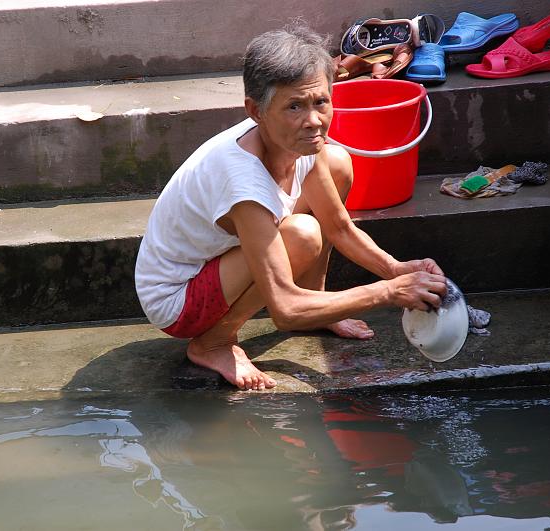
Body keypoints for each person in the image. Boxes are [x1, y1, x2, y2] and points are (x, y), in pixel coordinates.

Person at [135, 23, 447, 391]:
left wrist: (394, 269)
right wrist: (387, 292)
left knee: (337, 160)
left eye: (321, 102)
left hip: (219, 261)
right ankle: (214, 342)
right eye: (294, 106)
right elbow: (284, 309)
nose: (313, 121)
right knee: (301, 235)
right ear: (256, 111)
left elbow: (340, 228)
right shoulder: (243, 183)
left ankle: (316, 303)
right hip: (179, 298)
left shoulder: (298, 143)